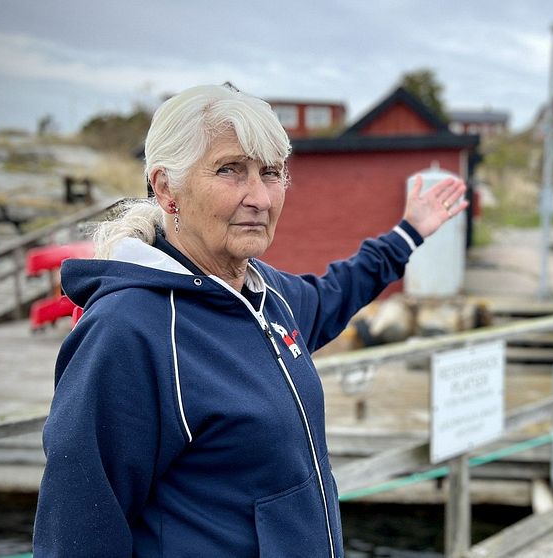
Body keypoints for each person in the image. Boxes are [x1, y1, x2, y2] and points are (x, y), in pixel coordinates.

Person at [33, 83, 468, 557]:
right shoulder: (127, 331)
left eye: (271, 172)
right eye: (230, 170)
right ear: (166, 188)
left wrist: (407, 235)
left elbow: (334, 293)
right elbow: (75, 535)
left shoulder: (263, 294)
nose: (260, 197)